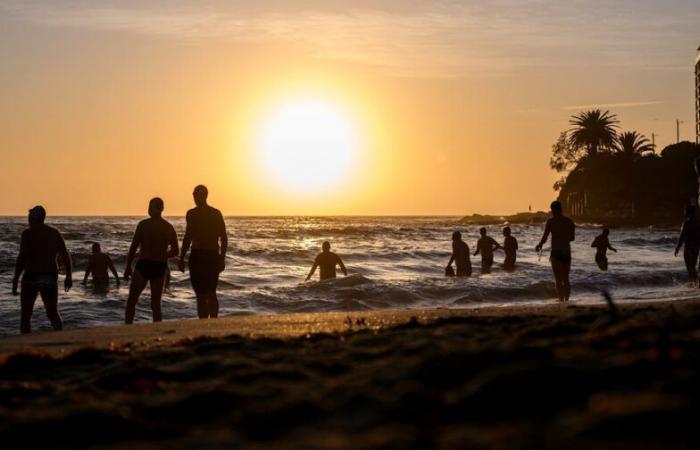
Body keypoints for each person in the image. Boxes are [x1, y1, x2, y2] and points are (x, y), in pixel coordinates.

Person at [11, 206, 72, 334]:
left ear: (34, 218)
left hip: (31, 276)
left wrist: (16, 279)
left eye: (29, 217)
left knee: (26, 315)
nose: (28, 219)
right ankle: (60, 337)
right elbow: (65, 254)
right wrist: (69, 276)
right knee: (52, 312)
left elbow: (22, 257)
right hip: (49, 276)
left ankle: (25, 345)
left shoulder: (27, 234)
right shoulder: (54, 233)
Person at [124, 198, 179, 324]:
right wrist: (163, 255)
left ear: (158, 209)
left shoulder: (144, 225)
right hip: (156, 265)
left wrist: (128, 266)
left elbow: (133, 247)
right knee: (152, 304)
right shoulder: (167, 227)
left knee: (136, 301)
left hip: (149, 264)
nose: (148, 209)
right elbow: (175, 251)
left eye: (150, 206)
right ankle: (128, 327)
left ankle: (131, 327)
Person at [179, 185, 228, 319]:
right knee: (201, 294)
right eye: (194, 195)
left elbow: (223, 237)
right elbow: (188, 237)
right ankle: (204, 323)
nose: (195, 198)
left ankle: (213, 322)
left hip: (209, 256)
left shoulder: (214, 213)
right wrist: (182, 257)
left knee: (210, 292)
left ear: (204, 195)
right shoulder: (192, 213)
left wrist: (222, 258)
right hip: (199, 255)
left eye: (197, 195)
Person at [536, 201, 575, 302]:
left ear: (553, 210)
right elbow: (572, 238)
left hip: (556, 252)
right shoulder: (569, 221)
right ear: (561, 209)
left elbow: (545, 237)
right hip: (566, 252)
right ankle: (567, 299)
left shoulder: (551, 221)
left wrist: (539, 245)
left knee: (558, 279)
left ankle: (561, 299)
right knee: (566, 279)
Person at [675, 205, 700, 284]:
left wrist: (677, 248)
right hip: (696, 247)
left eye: (685, 211)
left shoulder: (686, 223)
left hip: (688, 247)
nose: (684, 212)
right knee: (693, 266)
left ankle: (693, 283)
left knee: (690, 268)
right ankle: (695, 283)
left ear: (687, 212)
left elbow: (682, 236)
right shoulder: (698, 222)